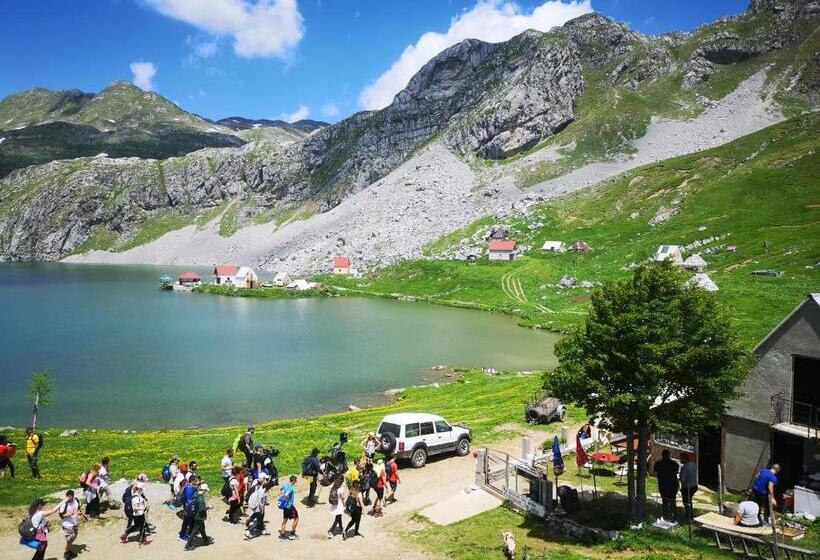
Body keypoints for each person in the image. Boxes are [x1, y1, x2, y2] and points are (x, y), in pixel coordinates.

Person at [58, 490, 85, 560]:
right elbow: (61, 516)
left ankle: (68, 549)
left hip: (75, 523)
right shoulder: (64, 504)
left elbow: (78, 509)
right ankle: (66, 553)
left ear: (73, 496)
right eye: (68, 497)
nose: (69, 499)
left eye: (70, 497)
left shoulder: (76, 501)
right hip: (67, 524)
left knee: (74, 537)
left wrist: (80, 513)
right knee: (71, 538)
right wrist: (67, 515)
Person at [185, 483, 213, 551]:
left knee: (202, 528)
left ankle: (205, 540)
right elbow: (201, 509)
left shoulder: (196, 494)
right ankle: (187, 545)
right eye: (206, 491)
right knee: (195, 530)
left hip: (195, 515)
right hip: (199, 517)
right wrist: (208, 507)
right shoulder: (201, 498)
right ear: (204, 490)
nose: (207, 492)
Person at [121, 481, 150, 546]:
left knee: (136, 525)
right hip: (139, 514)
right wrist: (144, 509)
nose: (142, 491)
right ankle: (142, 539)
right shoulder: (136, 497)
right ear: (139, 489)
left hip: (137, 513)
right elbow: (136, 507)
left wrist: (144, 508)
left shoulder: (137, 496)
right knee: (142, 526)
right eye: (141, 489)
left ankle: (125, 534)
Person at [655, 450, 680, 522]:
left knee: (665, 501)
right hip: (673, 485)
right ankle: (674, 516)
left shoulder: (658, 463)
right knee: (672, 501)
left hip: (663, 485)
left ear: (662, 455)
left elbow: (655, 474)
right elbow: (676, 473)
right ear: (669, 455)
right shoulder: (674, 464)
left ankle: (666, 516)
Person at [245, 474, 269, 540]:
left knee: (258, 518)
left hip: (256, 506)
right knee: (258, 521)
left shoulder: (257, 484)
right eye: (266, 479)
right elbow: (260, 501)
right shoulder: (261, 490)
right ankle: (249, 531)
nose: (267, 481)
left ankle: (262, 530)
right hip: (259, 507)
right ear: (262, 480)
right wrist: (262, 509)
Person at [679, 453, 698, 522]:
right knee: (689, 501)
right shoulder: (693, 464)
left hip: (687, 487)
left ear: (684, 459)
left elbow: (682, 480)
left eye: (681, 458)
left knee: (686, 502)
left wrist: (679, 477)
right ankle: (690, 515)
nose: (680, 459)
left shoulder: (684, 468)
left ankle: (689, 517)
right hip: (694, 486)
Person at [279, 475, 299, 540]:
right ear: (293, 481)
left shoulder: (285, 485)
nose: (296, 482)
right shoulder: (291, 487)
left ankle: (282, 534)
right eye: (296, 480)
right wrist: (287, 500)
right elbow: (286, 494)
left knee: (284, 520)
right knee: (296, 518)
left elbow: (280, 489)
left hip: (285, 506)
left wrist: (281, 498)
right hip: (289, 506)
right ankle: (292, 534)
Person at [178, 478, 198, 542]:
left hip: (189, 507)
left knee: (191, 520)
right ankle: (182, 536)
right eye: (195, 480)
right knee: (186, 522)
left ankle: (189, 533)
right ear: (192, 481)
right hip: (188, 507)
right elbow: (189, 500)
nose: (196, 481)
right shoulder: (189, 488)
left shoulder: (190, 486)